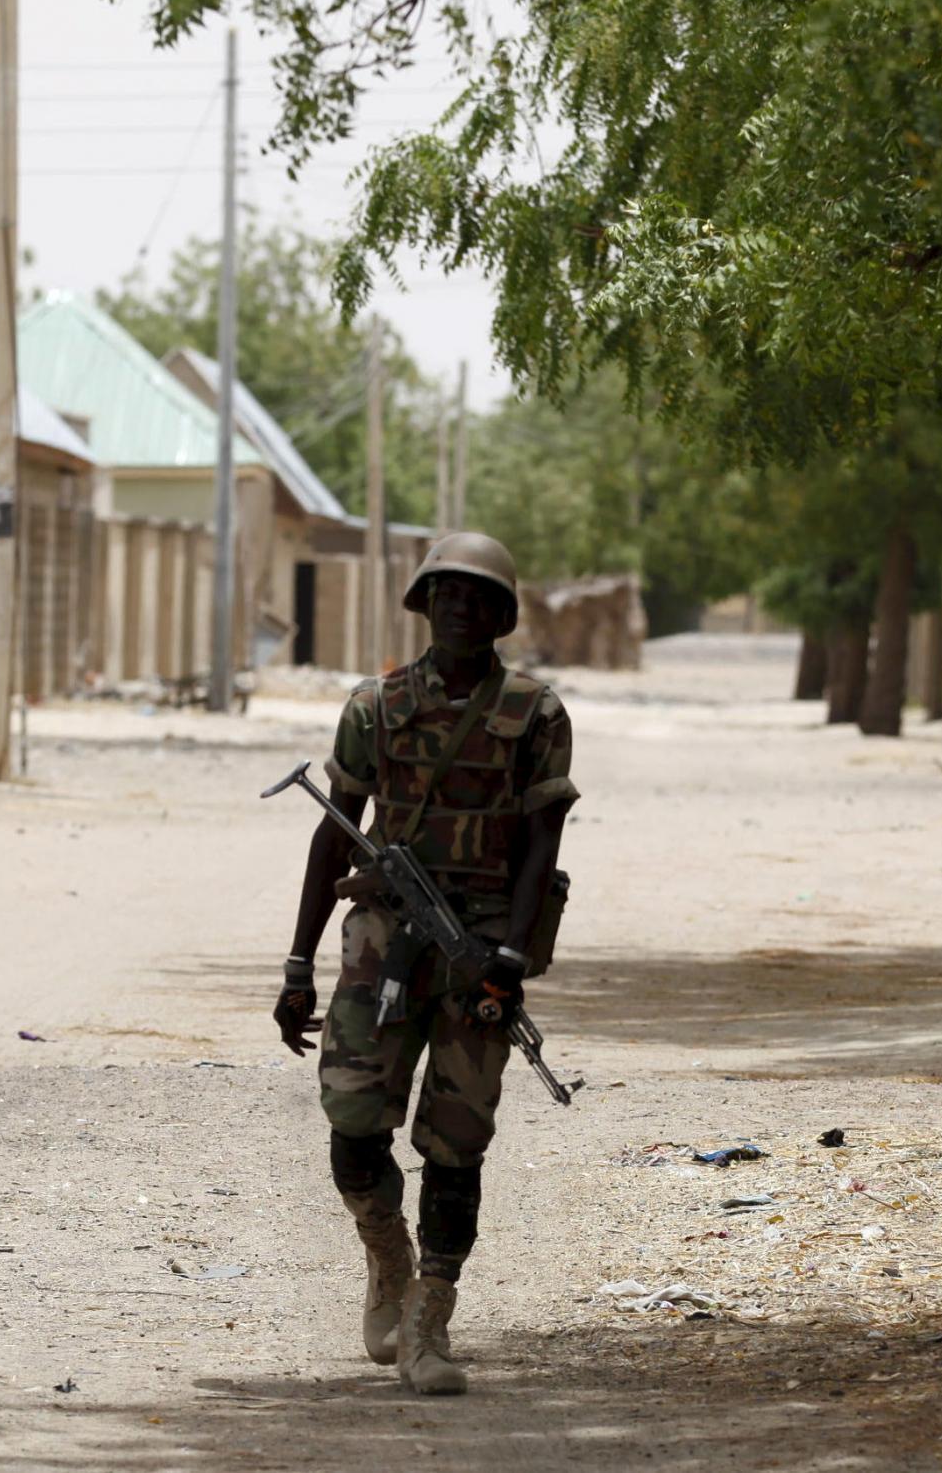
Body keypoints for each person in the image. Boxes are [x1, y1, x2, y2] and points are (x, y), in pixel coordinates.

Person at [273, 532, 577, 1395]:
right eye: (447, 593)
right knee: (353, 1114)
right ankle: (387, 1257)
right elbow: (333, 831)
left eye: (480, 598)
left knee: (458, 1136)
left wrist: (510, 955)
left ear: (502, 616)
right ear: (424, 602)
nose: (461, 609)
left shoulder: (536, 713)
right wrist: (297, 965)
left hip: (481, 942)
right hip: (381, 939)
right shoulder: (376, 705)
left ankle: (428, 1322)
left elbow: (541, 843)